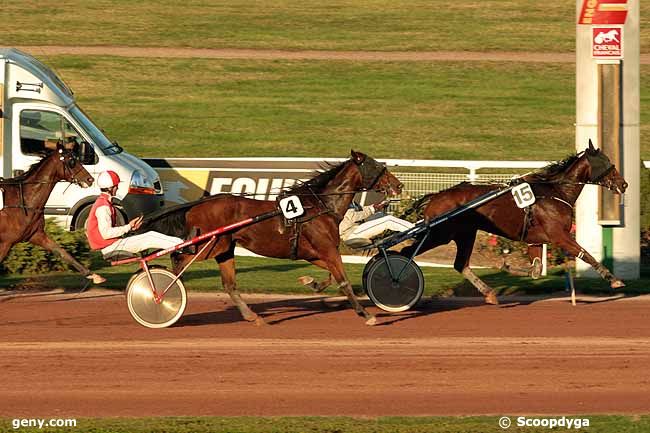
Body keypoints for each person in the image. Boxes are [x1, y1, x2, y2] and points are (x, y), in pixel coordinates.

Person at [86, 170, 184, 257]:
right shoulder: (103, 207)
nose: (118, 188)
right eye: (116, 186)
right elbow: (106, 234)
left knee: (149, 235)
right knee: (150, 236)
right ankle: (182, 245)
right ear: (111, 188)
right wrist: (128, 227)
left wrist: (131, 227)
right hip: (111, 247)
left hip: (112, 244)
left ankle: (180, 244)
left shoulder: (103, 202)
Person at [340, 200, 414, 248]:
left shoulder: (349, 199)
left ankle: (410, 226)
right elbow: (353, 216)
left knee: (380, 215)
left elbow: (360, 211)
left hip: (355, 227)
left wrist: (375, 206)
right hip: (349, 234)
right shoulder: (342, 201)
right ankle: (414, 230)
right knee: (388, 220)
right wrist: (373, 209)